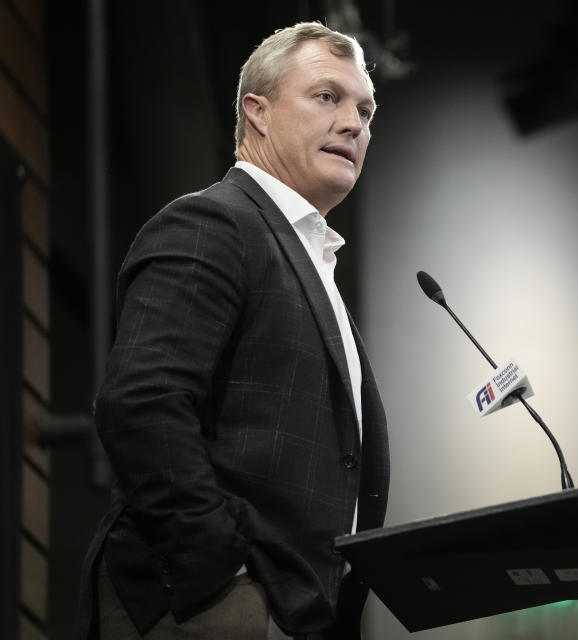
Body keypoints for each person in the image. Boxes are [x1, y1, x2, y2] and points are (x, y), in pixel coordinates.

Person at [77, 21, 390, 640]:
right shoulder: (212, 224)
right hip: (211, 606)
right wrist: (228, 579)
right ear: (259, 112)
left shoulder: (311, 258)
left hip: (297, 613)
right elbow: (141, 404)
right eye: (327, 97)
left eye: (364, 108)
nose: (355, 123)